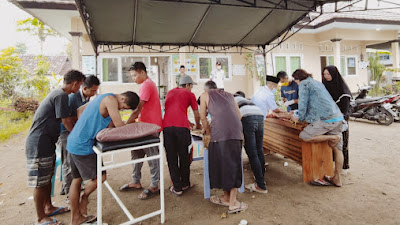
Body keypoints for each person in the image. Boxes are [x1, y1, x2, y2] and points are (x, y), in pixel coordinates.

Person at [67, 91, 140, 225]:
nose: (121, 110)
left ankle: (75, 218)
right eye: (124, 107)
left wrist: (86, 126)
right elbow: (119, 127)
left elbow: (80, 111)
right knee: (101, 177)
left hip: (74, 141)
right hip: (83, 146)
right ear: (122, 98)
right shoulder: (110, 100)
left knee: (76, 180)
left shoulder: (103, 97)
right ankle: (84, 198)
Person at [25, 70, 85, 225]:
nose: (78, 88)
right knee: (40, 180)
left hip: (47, 142)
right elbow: (65, 121)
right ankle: (40, 217)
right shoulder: (61, 95)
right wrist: (76, 135)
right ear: (74, 83)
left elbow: (67, 118)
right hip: (39, 143)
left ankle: (49, 207)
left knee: (47, 177)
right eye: (79, 85)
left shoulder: (59, 94)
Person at [292, 69, 346, 187]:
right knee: (338, 150)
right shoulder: (317, 82)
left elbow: (302, 103)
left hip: (326, 119)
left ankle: (333, 137)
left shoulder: (304, 84)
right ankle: (337, 178)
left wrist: (300, 118)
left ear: (297, 79)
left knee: (304, 136)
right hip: (338, 117)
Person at [200, 80, 247, 214]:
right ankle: (227, 198)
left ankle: (232, 204)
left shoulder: (205, 95)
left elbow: (203, 117)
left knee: (222, 166)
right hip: (235, 133)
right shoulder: (229, 95)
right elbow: (239, 115)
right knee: (232, 165)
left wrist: (207, 130)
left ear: (206, 89)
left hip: (219, 135)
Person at [119, 62, 163, 200]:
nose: (133, 78)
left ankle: (154, 185)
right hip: (143, 126)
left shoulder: (147, 85)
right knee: (136, 153)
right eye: (131, 76)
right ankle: (135, 181)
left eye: (134, 75)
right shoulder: (147, 84)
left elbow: (137, 109)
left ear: (142, 73)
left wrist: (125, 124)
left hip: (151, 127)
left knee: (152, 156)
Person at [57, 75, 100, 202]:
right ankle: (68, 193)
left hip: (76, 132)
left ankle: (73, 188)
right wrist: (75, 133)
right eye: (92, 90)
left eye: (96, 90)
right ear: (84, 88)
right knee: (69, 163)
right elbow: (66, 120)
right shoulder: (72, 98)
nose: (94, 93)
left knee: (75, 164)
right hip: (67, 132)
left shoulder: (87, 98)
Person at [163, 75, 201, 196]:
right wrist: (198, 125)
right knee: (185, 156)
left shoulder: (169, 92)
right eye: (191, 86)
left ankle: (177, 188)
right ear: (188, 85)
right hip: (182, 130)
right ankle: (185, 183)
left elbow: (173, 111)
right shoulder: (190, 94)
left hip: (167, 128)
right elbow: (197, 113)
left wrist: (189, 123)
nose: (191, 88)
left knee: (172, 158)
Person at [233, 91, 268, 194]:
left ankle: (261, 185)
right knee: (259, 149)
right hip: (259, 116)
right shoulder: (245, 100)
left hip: (248, 118)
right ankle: (261, 179)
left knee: (252, 153)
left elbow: (234, 117)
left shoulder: (230, 99)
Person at [322, 65, 352, 170]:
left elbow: (346, 110)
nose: (326, 76)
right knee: (329, 145)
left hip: (340, 122)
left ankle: (344, 167)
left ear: (334, 74)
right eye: (325, 74)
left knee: (342, 145)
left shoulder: (343, 91)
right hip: (327, 121)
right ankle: (331, 165)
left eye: (328, 74)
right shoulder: (324, 87)